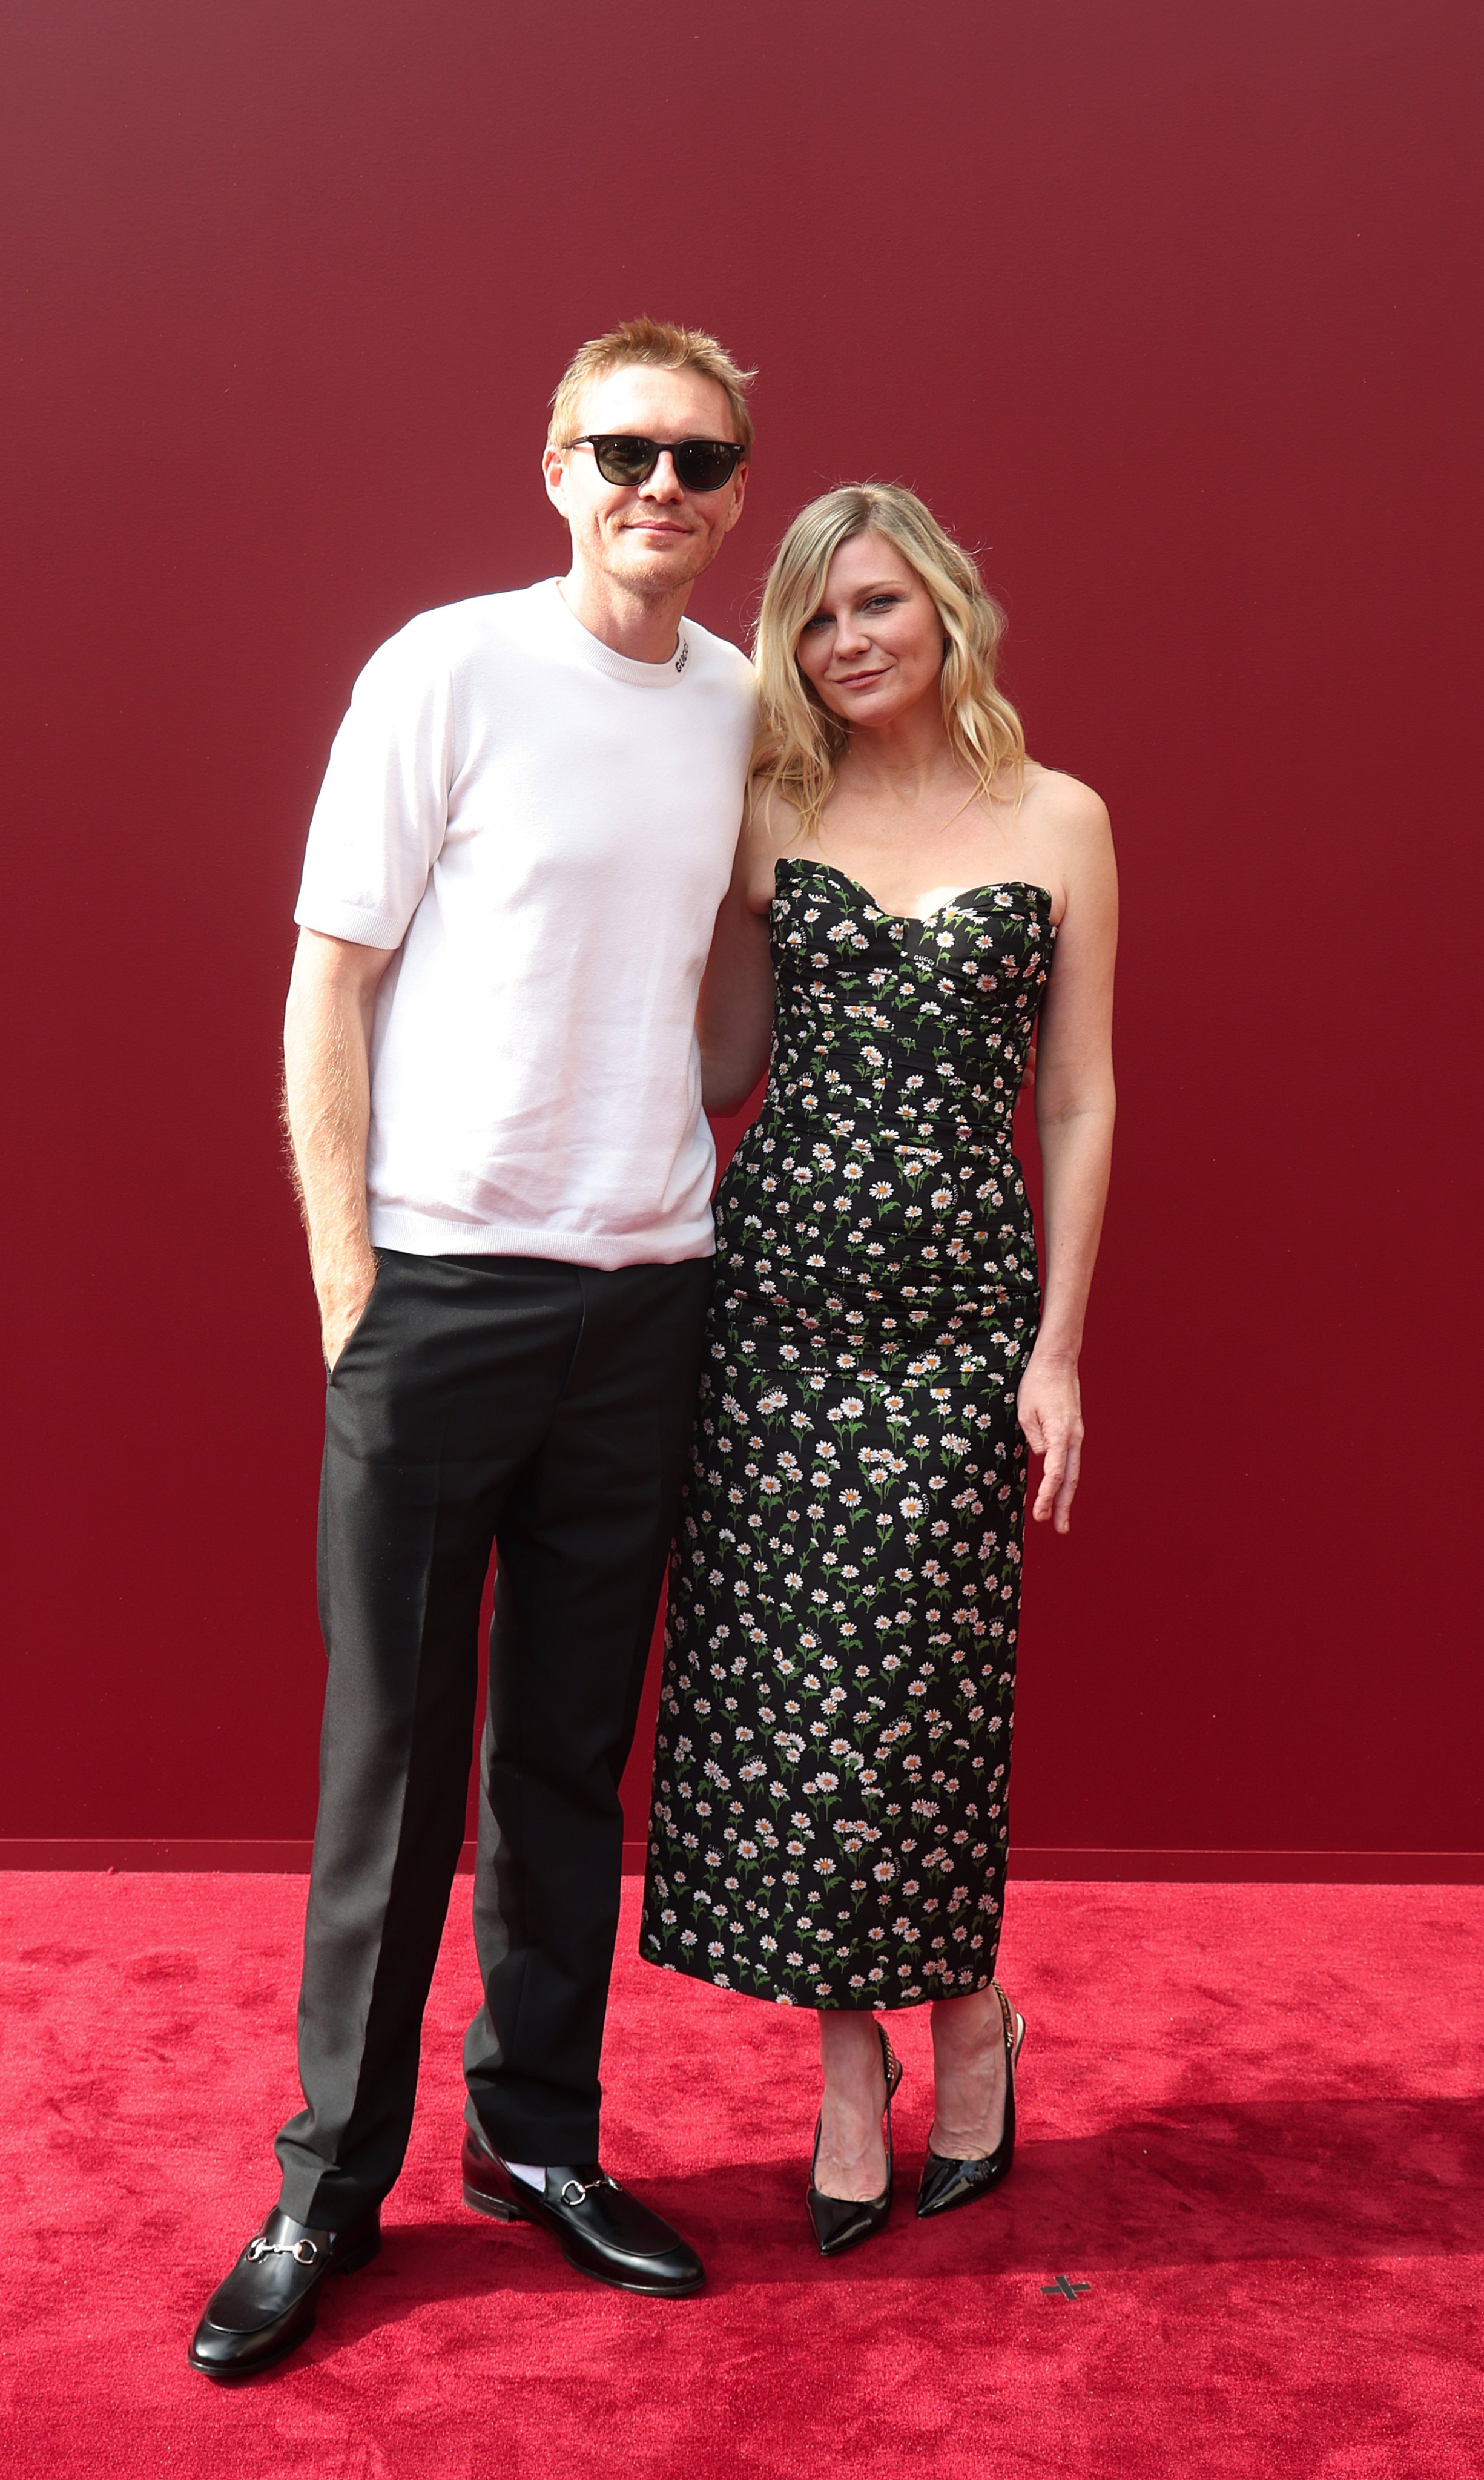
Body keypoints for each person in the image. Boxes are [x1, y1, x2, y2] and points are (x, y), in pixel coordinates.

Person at [190, 318, 757, 2377]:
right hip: (440, 1296)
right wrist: (352, 1290)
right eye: (626, 451)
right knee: (395, 1775)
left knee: (568, 1772)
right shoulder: (447, 667)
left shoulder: (735, 708)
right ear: (553, 463)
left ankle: (538, 2142)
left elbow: (713, 996)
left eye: (702, 462)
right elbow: (324, 984)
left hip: (648, 1304)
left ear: (733, 493)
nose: (661, 491)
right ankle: (328, 2185)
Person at [639, 484, 1116, 2255]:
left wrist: (1054, 1352)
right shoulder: (773, 812)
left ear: (944, 611)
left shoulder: (1059, 821)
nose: (847, 640)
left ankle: (968, 2018)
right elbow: (722, 1057)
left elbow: (1073, 1097)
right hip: (771, 1321)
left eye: (876, 605)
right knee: (789, 1705)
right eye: (817, 617)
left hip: (956, 1333)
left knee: (922, 1699)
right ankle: (852, 2073)